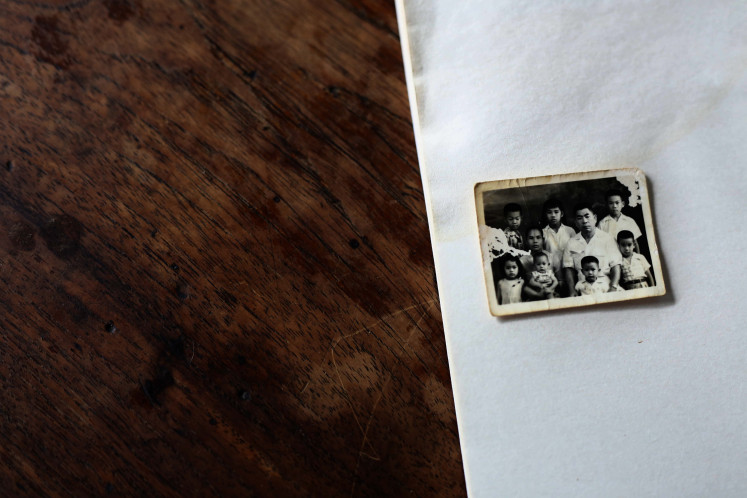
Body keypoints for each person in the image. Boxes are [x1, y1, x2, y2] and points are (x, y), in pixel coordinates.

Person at [563, 202, 622, 296]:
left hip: (606, 287)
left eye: (587, 216)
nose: (584, 221)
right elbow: (568, 268)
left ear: (595, 218)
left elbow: (616, 265)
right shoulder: (571, 242)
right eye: (580, 218)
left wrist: (613, 287)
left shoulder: (607, 239)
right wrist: (571, 290)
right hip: (583, 289)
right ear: (576, 223)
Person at [541, 198, 576, 273]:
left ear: (562, 214)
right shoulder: (543, 232)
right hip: (550, 271)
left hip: (569, 270)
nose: (553, 215)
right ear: (545, 214)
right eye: (549, 212)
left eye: (556, 212)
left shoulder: (570, 231)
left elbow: (575, 252)